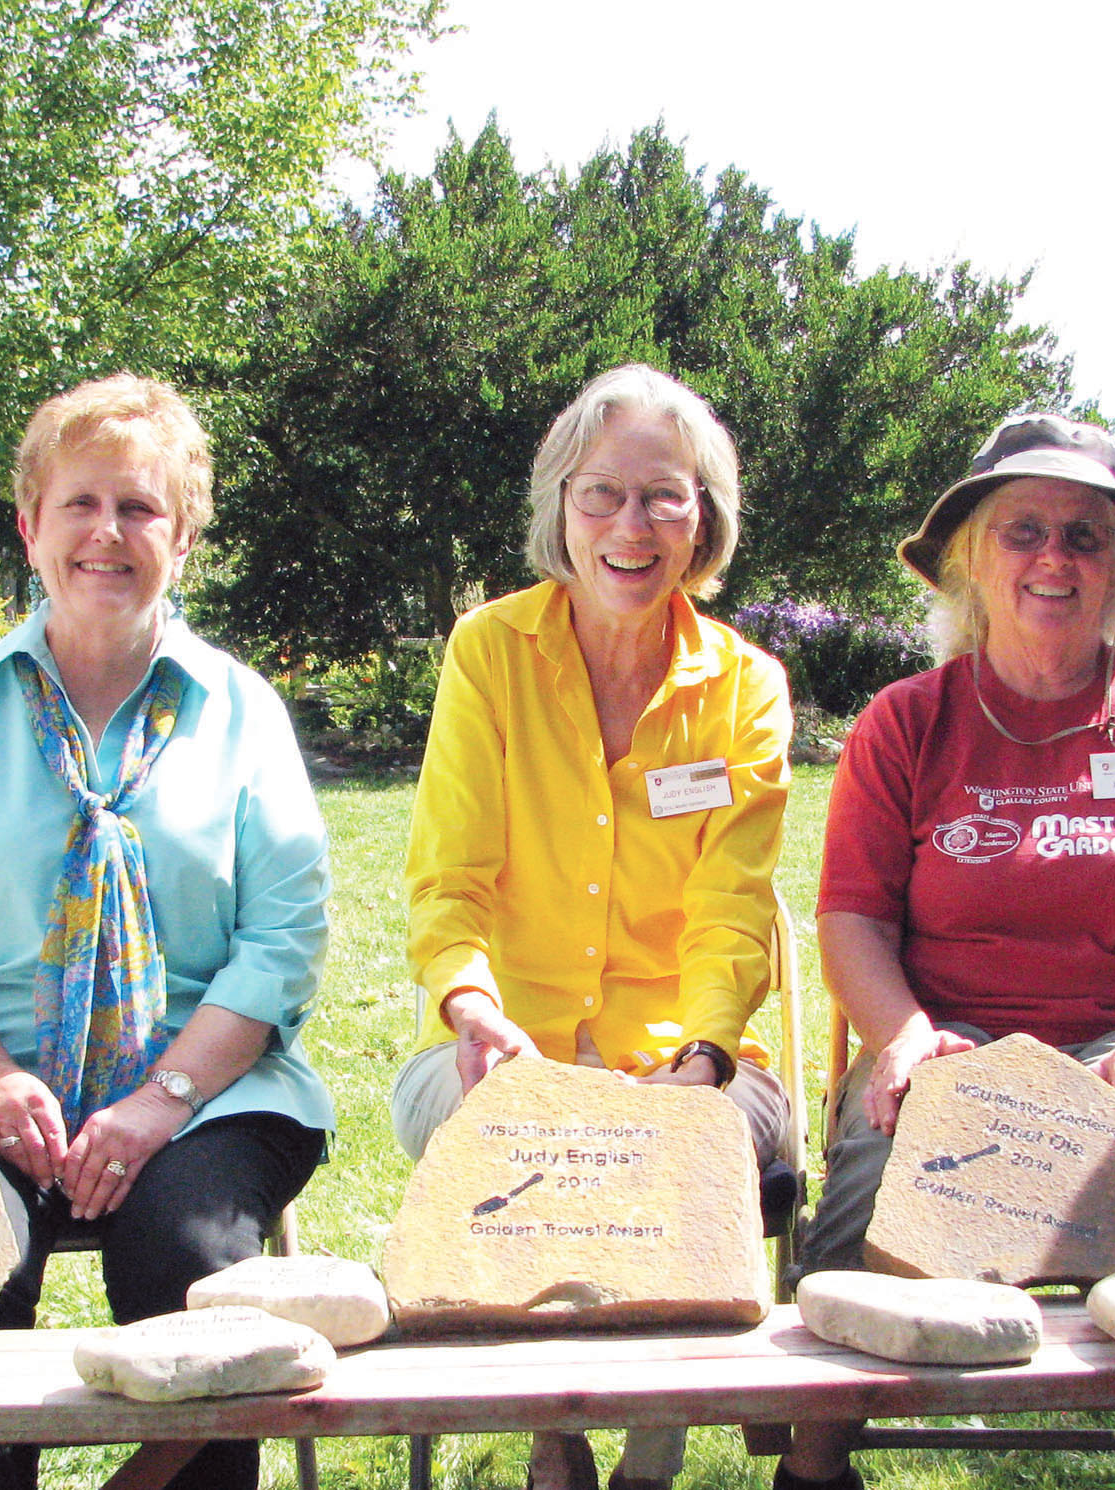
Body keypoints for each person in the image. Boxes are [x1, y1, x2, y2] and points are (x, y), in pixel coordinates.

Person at [779, 414, 1115, 1490]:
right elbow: (852, 916)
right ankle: (816, 1462)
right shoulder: (905, 722)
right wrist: (907, 1038)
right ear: (971, 558)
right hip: (949, 1049)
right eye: (1023, 530)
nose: (1054, 557)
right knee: (871, 1196)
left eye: (1085, 536)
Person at [0, 373, 330, 1490]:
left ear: (185, 535)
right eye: (79, 504)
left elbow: (281, 940)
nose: (107, 533)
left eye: (140, 507)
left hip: (207, 1085)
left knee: (194, 1261)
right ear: (29, 525)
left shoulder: (242, 711)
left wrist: (157, 1101)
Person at [394, 363, 791, 1490]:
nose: (630, 524)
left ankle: (647, 1462)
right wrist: (472, 1009)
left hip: (689, 1054)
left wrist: (704, 1057)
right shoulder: (491, 652)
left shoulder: (746, 688)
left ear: (702, 516)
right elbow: (450, 880)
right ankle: (557, 1437)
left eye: (664, 495)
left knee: (682, 1147)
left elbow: (732, 907)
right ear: (559, 507)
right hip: (502, 1045)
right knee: (513, 1132)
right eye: (599, 493)